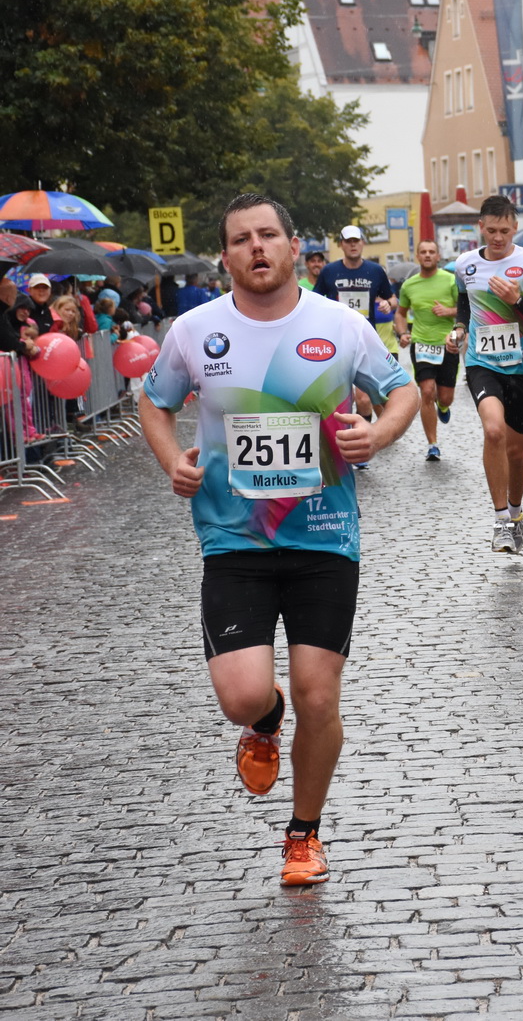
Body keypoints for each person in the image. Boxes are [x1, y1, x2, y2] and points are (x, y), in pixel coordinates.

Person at [137, 192, 417, 886]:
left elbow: (404, 391)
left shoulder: (341, 326)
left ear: (295, 246)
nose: (256, 248)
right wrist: (171, 457)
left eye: (268, 235)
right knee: (241, 693)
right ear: (225, 256)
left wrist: (376, 433)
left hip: (324, 537)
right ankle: (264, 718)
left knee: (321, 694)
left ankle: (304, 834)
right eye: (241, 239)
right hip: (234, 540)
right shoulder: (194, 330)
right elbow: (154, 399)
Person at [451, 195, 523, 553]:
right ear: (480, 227)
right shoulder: (465, 264)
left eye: (505, 231)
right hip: (483, 363)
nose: (498, 238)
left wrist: (516, 300)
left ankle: (515, 514)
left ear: (515, 228)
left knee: (516, 453)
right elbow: (465, 304)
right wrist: (460, 330)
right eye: (492, 230)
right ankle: (500, 523)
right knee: (493, 430)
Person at [314, 226, 395, 422]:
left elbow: (392, 298)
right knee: (339, 398)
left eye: (356, 241)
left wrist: (388, 304)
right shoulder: (329, 271)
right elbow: (315, 301)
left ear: (362, 243)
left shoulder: (375, 271)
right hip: (336, 341)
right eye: (348, 241)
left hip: (364, 339)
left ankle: (364, 437)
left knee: (364, 399)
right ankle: (343, 435)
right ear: (341, 244)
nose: (353, 245)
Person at [392, 239, 462, 461]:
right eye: (424, 252)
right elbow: (401, 313)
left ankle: (443, 406)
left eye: (432, 252)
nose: (428, 255)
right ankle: (433, 444)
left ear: (438, 256)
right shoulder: (409, 285)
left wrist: (448, 311)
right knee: (427, 391)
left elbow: (465, 311)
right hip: (421, 344)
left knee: (446, 396)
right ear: (418, 257)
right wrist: (403, 333)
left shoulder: (450, 280)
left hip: (448, 344)